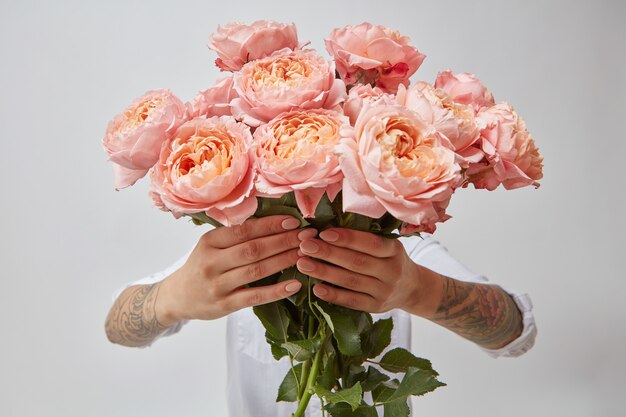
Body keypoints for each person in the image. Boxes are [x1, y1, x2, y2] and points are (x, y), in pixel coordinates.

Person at [105, 215, 536, 417]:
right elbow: (117, 327)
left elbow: (514, 331)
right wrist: (171, 297)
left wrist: (417, 288)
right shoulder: (245, 250)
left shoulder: (393, 253)